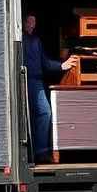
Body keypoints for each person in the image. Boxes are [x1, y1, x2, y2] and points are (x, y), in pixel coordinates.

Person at [22, 13, 77, 163]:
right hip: (26, 80)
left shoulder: (36, 41)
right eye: (29, 22)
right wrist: (61, 65)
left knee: (43, 113)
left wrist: (61, 65)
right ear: (23, 22)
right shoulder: (20, 39)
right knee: (36, 115)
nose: (32, 25)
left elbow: (45, 63)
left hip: (36, 81)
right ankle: (34, 153)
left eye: (34, 22)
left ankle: (40, 152)